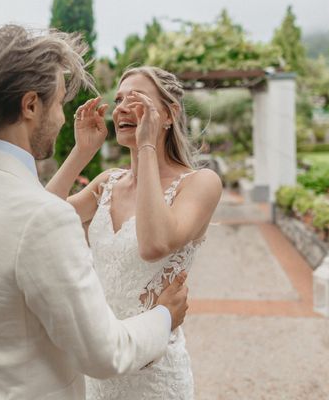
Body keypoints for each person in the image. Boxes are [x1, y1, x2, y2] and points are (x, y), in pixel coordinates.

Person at [0, 26, 189, 400]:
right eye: (58, 104)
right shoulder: (42, 218)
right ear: (31, 105)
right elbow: (104, 354)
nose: (61, 117)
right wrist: (165, 315)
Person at [46, 66, 223, 399]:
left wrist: (146, 148)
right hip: (99, 360)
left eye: (136, 98)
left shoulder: (200, 183)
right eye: (118, 99)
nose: (121, 107)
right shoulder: (107, 184)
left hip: (154, 376)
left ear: (168, 115)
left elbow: (154, 245)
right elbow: (42, 218)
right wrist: (81, 152)